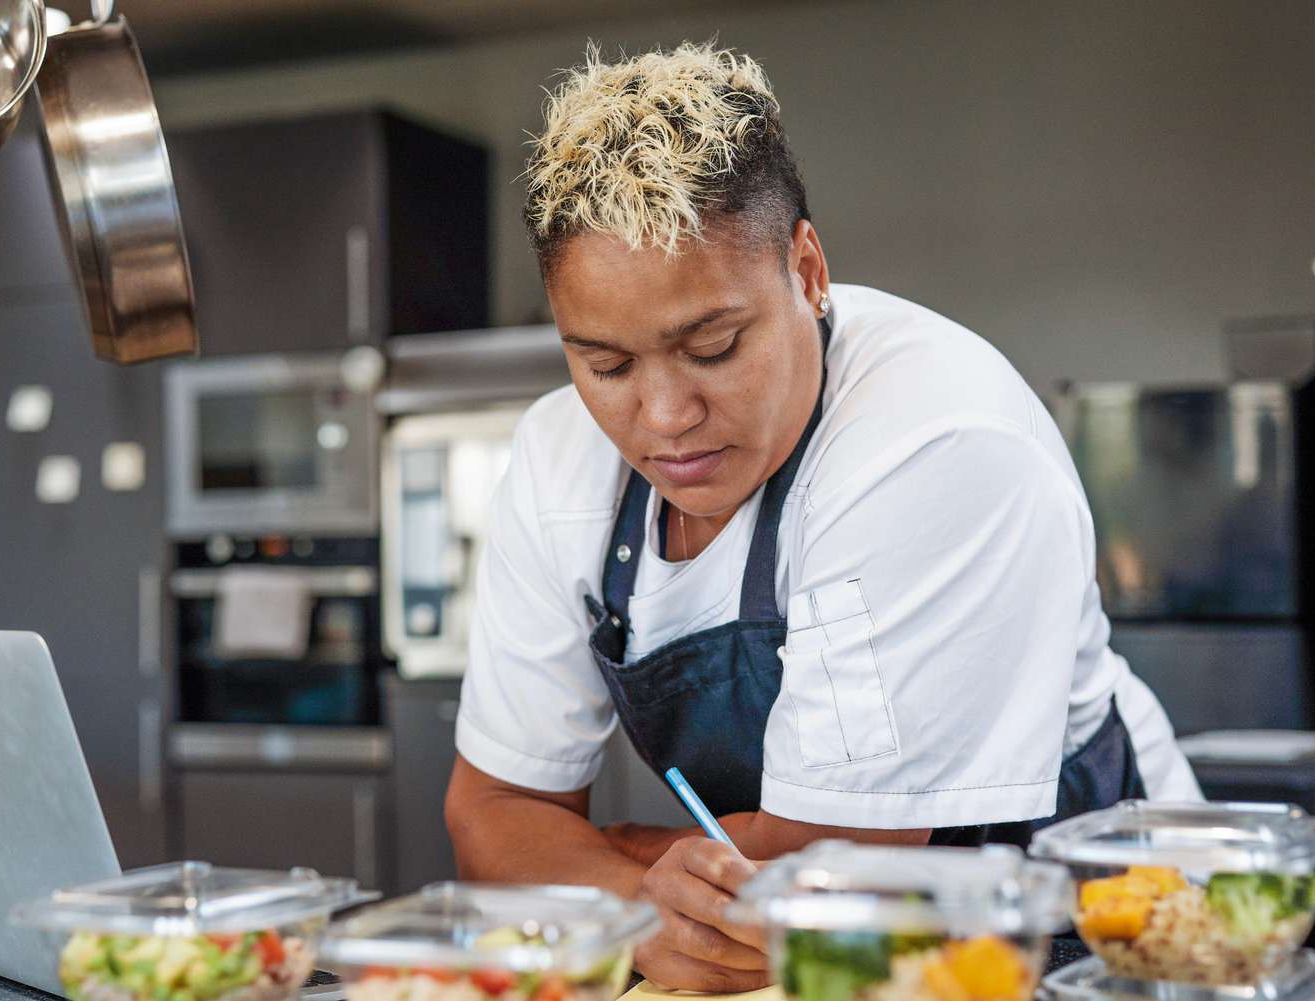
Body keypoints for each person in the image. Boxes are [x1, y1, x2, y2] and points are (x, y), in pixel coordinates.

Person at [444, 41, 1200, 992]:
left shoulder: (931, 441)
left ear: (806, 270)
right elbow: (491, 817)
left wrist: (601, 855)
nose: (665, 416)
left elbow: (827, 869)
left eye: (713, 347)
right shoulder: (558, 463)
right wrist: (642, 898)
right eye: (607, 365)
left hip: (1107, 938)